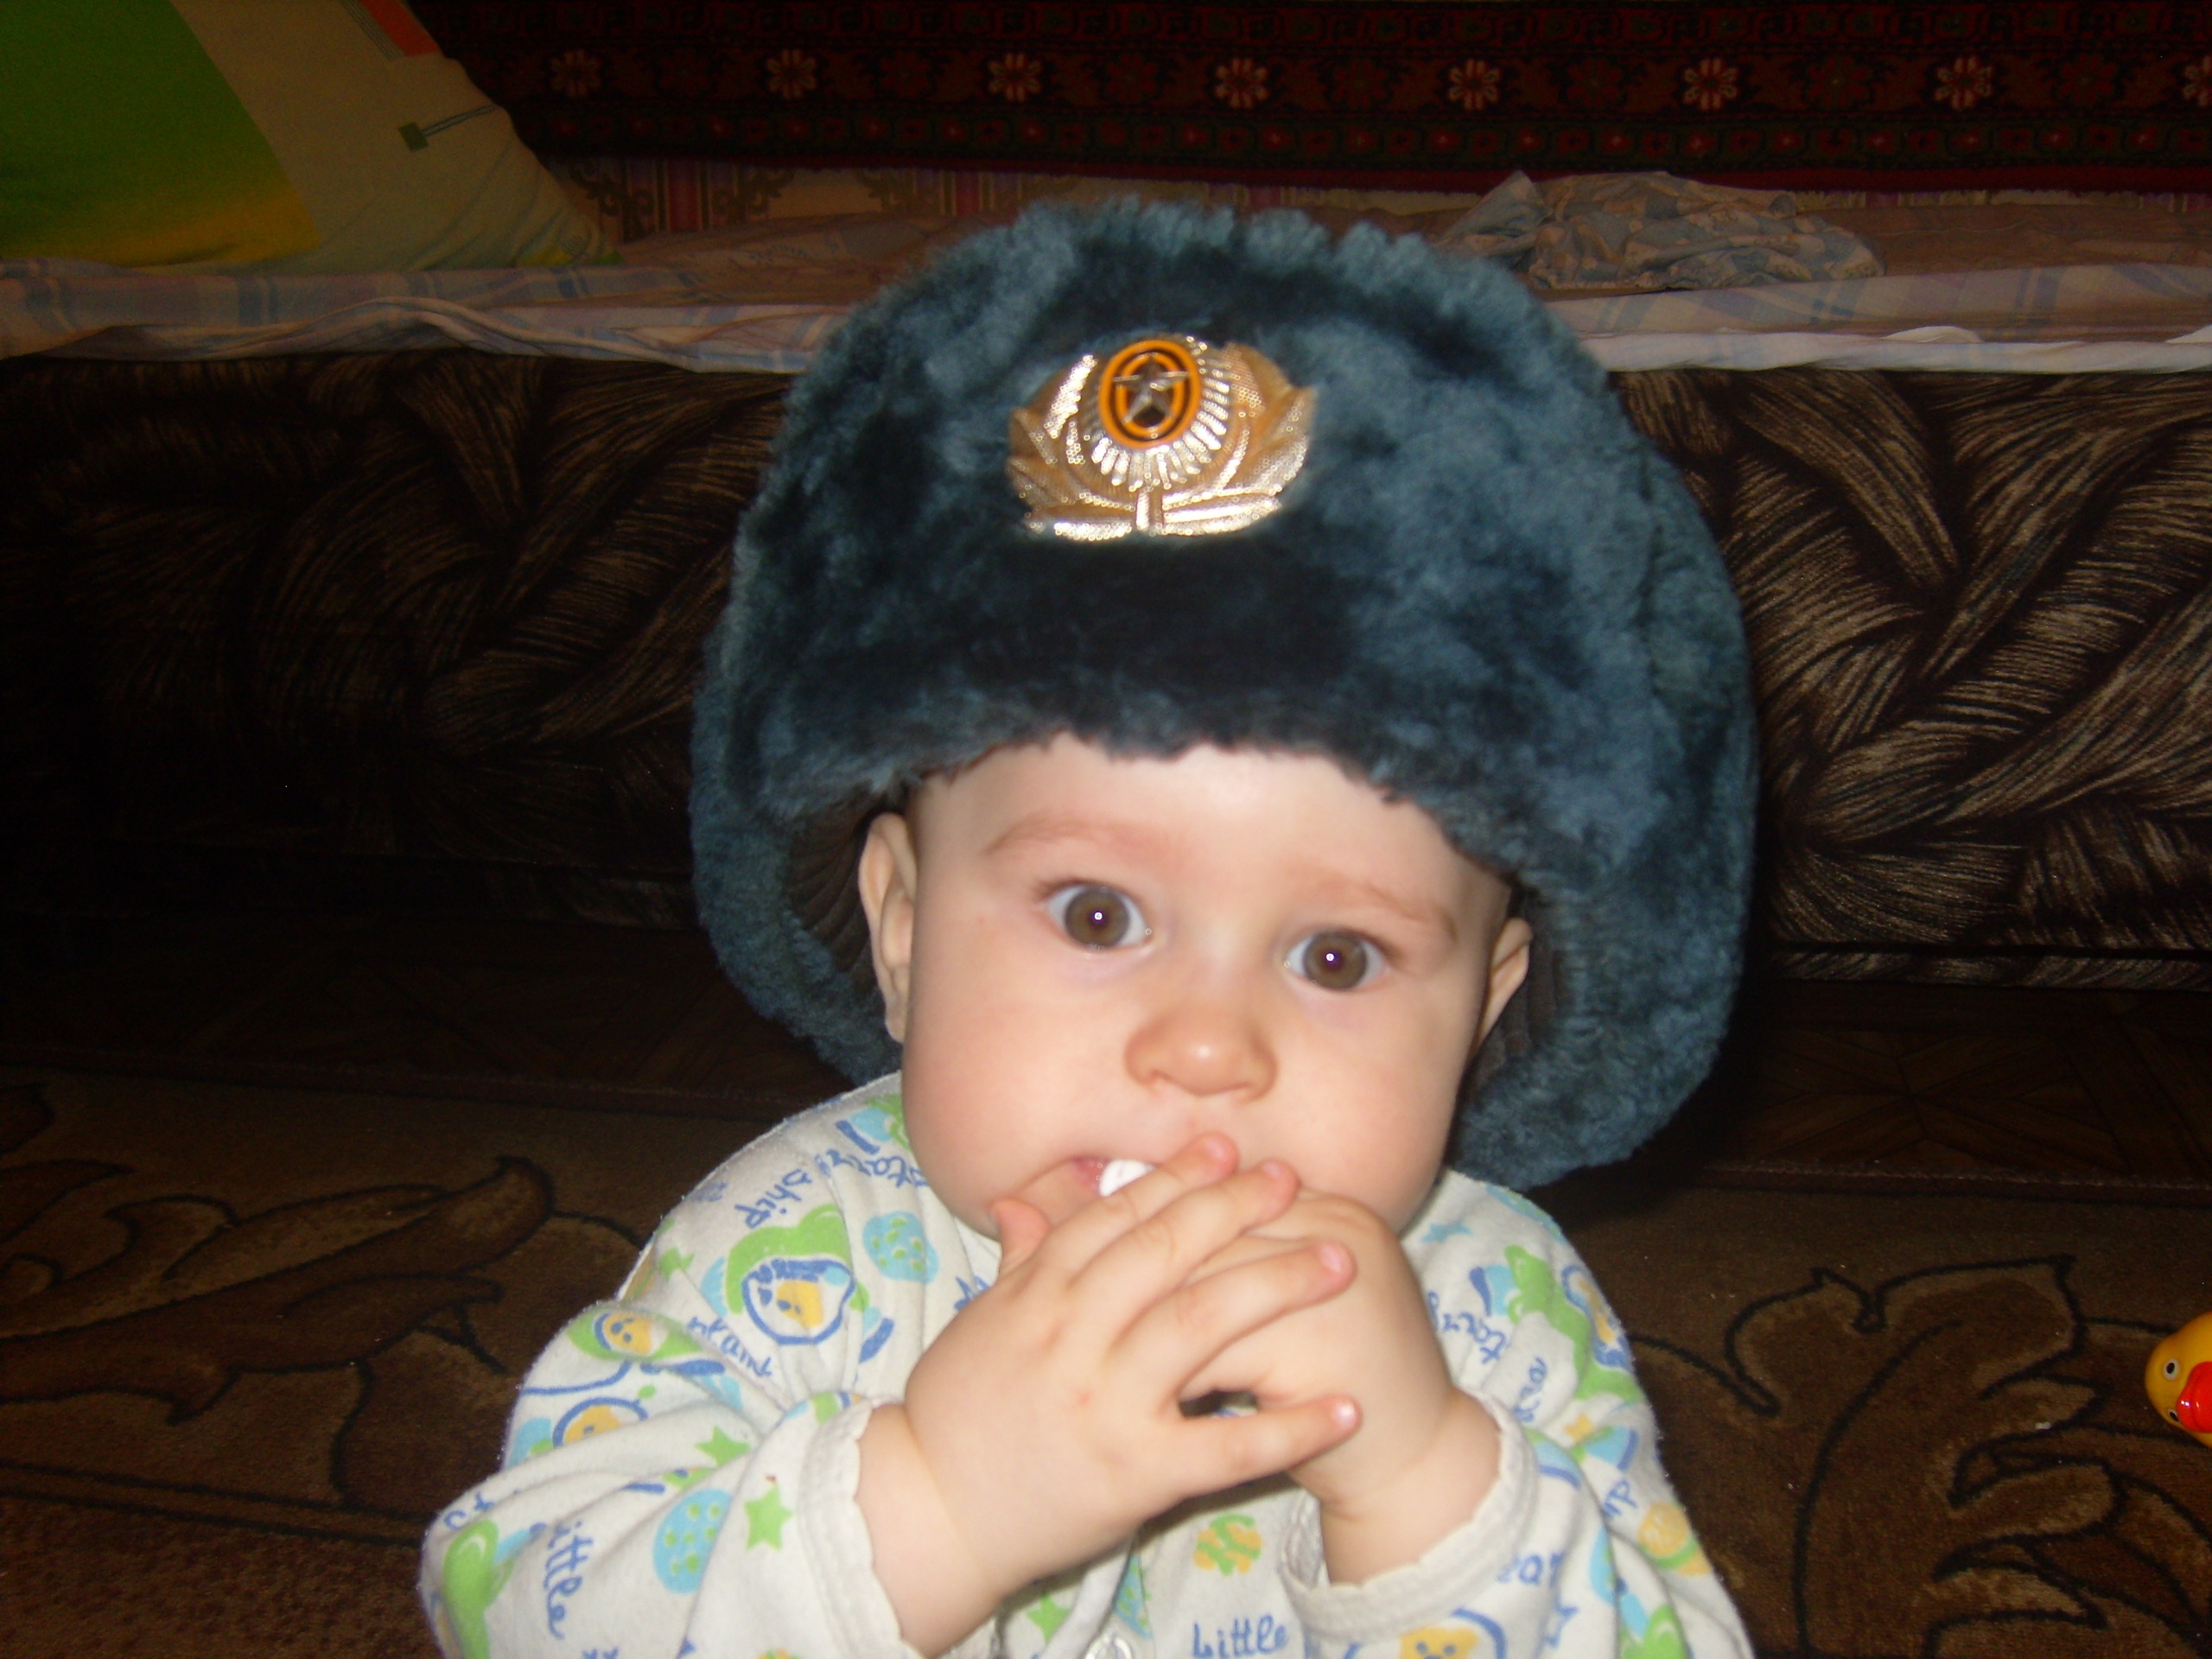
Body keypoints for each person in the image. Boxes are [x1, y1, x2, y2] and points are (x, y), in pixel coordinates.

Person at [420, 201, 1758, 1659]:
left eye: (1337, 957)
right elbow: (526, 1603)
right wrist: (937, 1502)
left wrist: (1427, 1487)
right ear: (904, 931)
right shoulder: (792, 1251)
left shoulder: (1491, 1314)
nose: (1207, 1048)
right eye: (1099, 913)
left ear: (1484, 1009)